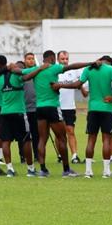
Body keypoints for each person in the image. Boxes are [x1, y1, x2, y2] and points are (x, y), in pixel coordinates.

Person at [54, 55, 112, 178]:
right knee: (106, 139)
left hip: (93, 109)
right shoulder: (111, 70)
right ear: (109, 63)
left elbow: (77, 84)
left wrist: (60, 85)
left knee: (91, 139)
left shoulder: (89, 69)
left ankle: (88, 171)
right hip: (107, 108)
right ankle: (106, 172)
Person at [22, 50, 94, 178]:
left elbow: (20, 73)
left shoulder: (35, 69)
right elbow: (72, 66)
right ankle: (66, 170)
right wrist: (90, 63)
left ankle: (43, 170)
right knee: (62, 138)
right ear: (51, 58)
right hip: (53, 107)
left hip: (39, 108)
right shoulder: (54, 67)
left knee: (42, 139)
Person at [0, 61, 37, 177]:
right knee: (26, 140)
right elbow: (30, 74)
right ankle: (31, 169)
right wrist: (39, 69)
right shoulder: (18, 76)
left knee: (6, 141)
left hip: (4, 113)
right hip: (19, 112)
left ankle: (10, 169)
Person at [57, 50, 88, 164]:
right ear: (57, 59)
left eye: (66, 59)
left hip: (69, 107)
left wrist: (83, 89)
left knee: (70, 131)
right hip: (57, 106)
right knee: (59, 132)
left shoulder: (74, 71)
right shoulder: (55, 71)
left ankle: (74, 155)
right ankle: (61, 154)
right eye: (62, 59)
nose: (65, 61)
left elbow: (81, 87)